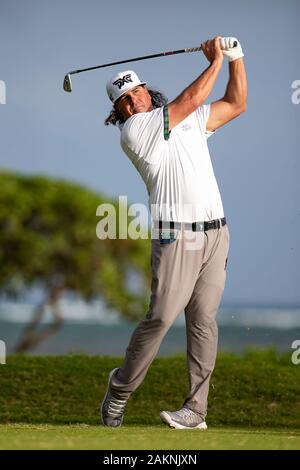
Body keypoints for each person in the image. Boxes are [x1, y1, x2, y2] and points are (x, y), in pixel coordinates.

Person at [101, 36, 247, 429]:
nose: (132, 103)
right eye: (123, 102)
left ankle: (195, 411)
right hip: (176, 237)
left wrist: (236, 58)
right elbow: (191, 99)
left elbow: (236, 104)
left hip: (216, 234)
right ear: (120, 112)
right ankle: (119, 389)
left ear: (146, 91)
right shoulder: (135, 132)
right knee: (161, 318)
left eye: (136, 94)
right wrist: (215, 58)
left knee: (203, 322)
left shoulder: (188, 123)